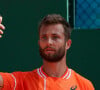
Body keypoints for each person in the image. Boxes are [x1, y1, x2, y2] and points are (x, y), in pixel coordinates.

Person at [0, 14, 94, 90]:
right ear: (39, 42)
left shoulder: (84, 86)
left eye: (55, 37)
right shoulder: (21, 81)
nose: (48, 42)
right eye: (44, 37)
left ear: (67, 44)